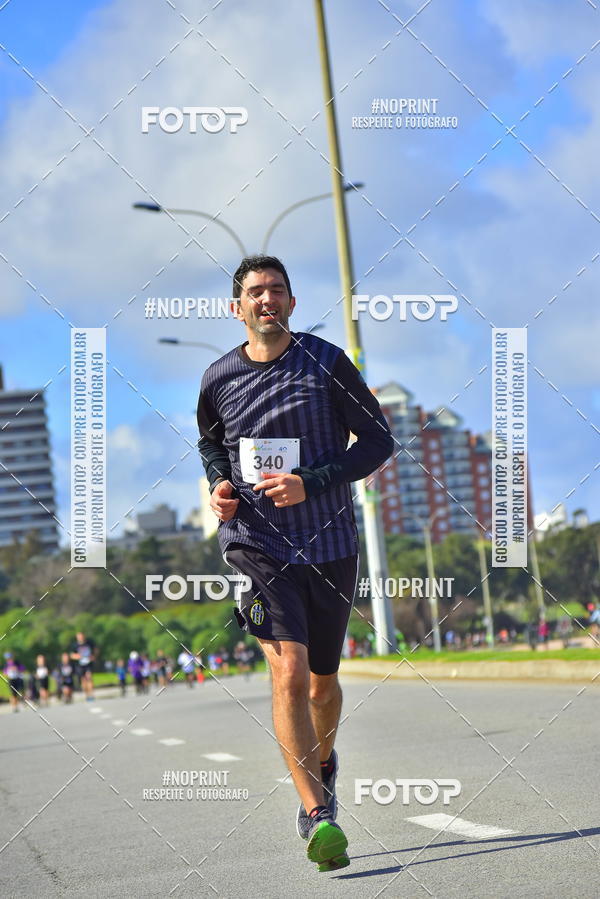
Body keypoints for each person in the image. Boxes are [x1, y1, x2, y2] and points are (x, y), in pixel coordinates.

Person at [197, 255, 393, 871]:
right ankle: (315, 814)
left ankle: (324, 761)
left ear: (292, 301)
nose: (266, 300)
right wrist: (219, 486)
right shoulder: (218, 378)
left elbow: (380, 441)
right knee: (289, 673)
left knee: (322, 683)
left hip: (329, 541)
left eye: (277, 290)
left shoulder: (327, 363)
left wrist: (312, 481)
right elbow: (211, 446)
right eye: (254, 292)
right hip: (256, 544)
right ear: (237, 308)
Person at [70, 631, 96, 700]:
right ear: (77, 638)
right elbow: (71, 655)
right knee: (83, 680)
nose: (80, 638)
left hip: (88, 663)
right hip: (80, 665)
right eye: (79, 637)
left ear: (84, 636)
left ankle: (91, 695)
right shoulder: (74, 645)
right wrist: (77, 656)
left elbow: (96, 649)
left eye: (81, 636)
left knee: (89, 677)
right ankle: (87, 695)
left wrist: (93, 656)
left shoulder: (89, 643)